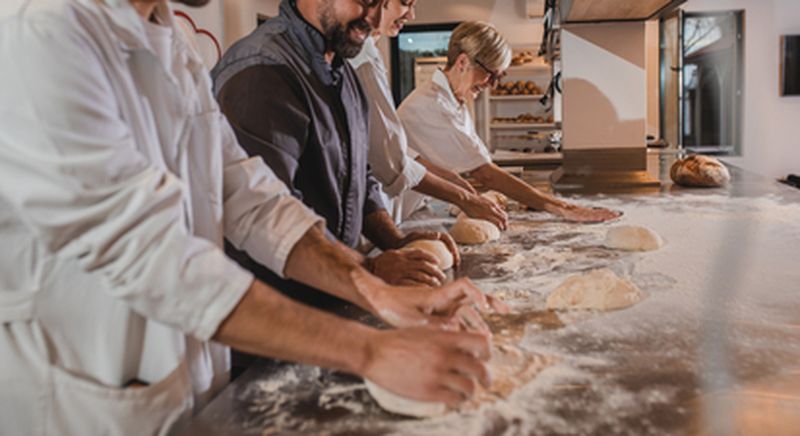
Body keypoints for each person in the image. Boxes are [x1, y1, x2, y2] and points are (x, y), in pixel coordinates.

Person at [0, 1, 502, 434]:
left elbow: (248, 195)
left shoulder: (168, 42)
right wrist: (369, 350)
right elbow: (151, 253)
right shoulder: (39, 35)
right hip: (80, 402)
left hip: (188, 382)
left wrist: (375, 291)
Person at [211, 0, 461, 295]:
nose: (375, 18)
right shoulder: (263, 72)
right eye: (367, 1)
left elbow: (358, 178)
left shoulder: (343, 73)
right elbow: (267, 220)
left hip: (335, 283)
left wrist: (394, 240)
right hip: (280, 302)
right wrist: (369, 269)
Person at [398, 21, 621, 223]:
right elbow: (484, 173)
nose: (492, 85)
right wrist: (562, 207)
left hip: (415, 208)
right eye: (490, 75)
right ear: (463, 62)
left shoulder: (453, 99)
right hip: (395, 213)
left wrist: (473, 197)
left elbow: (445, 171)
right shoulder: (431, 105)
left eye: (499, 77)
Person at [348, 0, 507, 229]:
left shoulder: (368, 53)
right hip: (363, 213)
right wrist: (463, 197)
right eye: (405, 3)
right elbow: (391, 162)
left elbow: (397, 154)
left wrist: (457, 186)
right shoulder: (362, 58)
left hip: (374, 211)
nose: (411, 15)